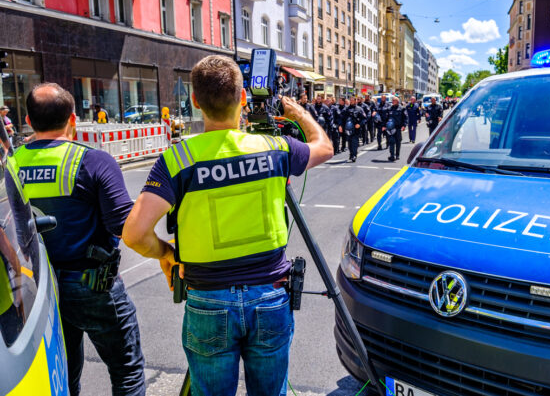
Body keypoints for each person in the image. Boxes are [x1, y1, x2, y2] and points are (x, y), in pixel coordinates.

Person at [122, 55, 333, 396]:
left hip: (207, 301)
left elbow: (133, 234)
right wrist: (300, 114)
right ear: (244, 99)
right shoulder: (274, 147)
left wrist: (165, 252)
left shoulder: (178, 159)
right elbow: (324, 147)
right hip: (270, 297)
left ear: (194, 101)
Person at [12, 83, 145, 396]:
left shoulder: (13, 164)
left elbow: (14, 227)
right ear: (72, 119)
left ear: (28, 121)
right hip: (93, 283)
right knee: (127, 371)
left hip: (42, 288)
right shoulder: (93, 161)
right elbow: (121, 224)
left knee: (63, 377)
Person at [341, 97, 366, 163]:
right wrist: (340, 126)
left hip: (356, 128)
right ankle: (351, 154)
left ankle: (354, 155)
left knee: (354, 142)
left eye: (352, 100)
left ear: (355, 101)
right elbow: (342, 118)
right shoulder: (346, 109)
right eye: (350, 100)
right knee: (349, 143)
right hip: (348, 129)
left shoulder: (359, 109)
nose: (351, 101)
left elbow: (364, 119)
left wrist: (359, 124)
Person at [383, 97, 407, 162]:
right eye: (392, 100)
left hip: (398, 128)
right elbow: (386, 118)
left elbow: (405, 118)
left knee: (398, 142)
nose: (393, 101)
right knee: (391, 142)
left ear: (397, 101)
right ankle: (392, 155)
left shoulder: (402, 108)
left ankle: (397, 155)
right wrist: (384, 126)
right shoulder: (390, 109)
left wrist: (404, 126)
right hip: (391, 128)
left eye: (394, 100)